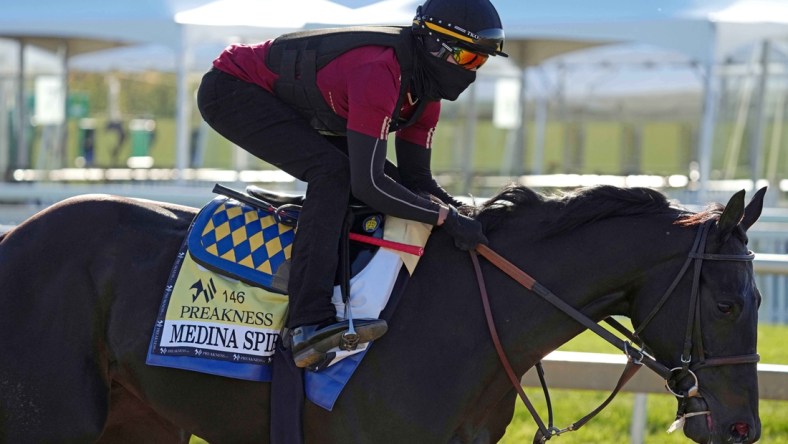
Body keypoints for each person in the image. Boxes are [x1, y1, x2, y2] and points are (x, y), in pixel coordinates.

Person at [196, 0, 506, 369]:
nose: (473, 72)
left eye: (481, 63)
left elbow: (417, 181)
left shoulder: (427, 98)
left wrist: (464, 212)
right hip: (231, 89)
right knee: (334, 174)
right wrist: (443, 218)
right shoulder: (379, 71)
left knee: (385, 182)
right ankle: (307, 321)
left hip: (290, 103)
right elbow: (368, 185)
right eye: (468, 59)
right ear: (436, 46)